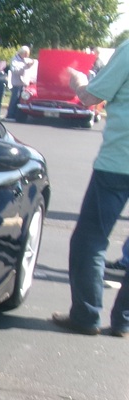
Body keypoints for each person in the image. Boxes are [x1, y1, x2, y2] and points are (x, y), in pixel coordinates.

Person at [50, 42, 129, 338]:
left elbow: (89, 97)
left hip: (119, 162)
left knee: (90, 240)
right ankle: (123, 321)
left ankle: (86, 315)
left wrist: (77, 79)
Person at [6, 46, 34, 120]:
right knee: (14, 99)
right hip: (17, 83)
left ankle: (17, 115)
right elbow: (15, 71)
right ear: (22, 53)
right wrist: (25, 67)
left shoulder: (26, 59)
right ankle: (10, 115)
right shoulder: (14, 60)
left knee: (22, 100)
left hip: (25, 84)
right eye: (26, 54)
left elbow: (31, 63)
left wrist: (32, 63)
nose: (27, 56)